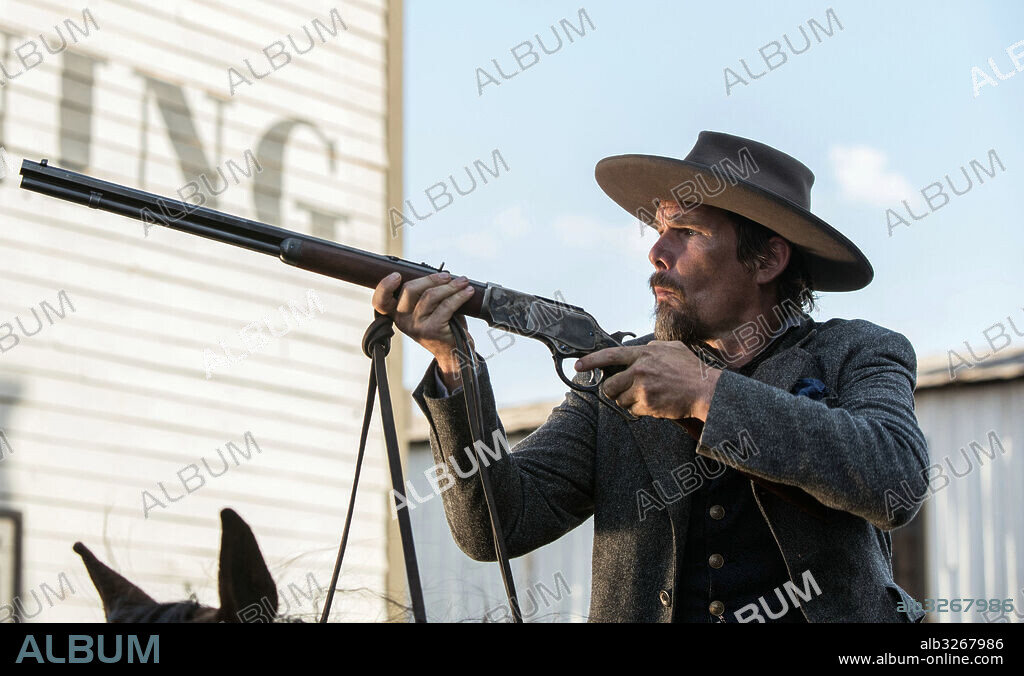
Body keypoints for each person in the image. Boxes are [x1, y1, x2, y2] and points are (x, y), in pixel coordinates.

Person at [372, 131, 929, 623]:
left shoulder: (855, 350)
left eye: (686, 231)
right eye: (660, 230)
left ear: (767, 261)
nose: (656, 252)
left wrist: (707, 394)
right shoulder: (618, 374)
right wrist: (453, 362)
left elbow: (895, 478)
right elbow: (497, 526)